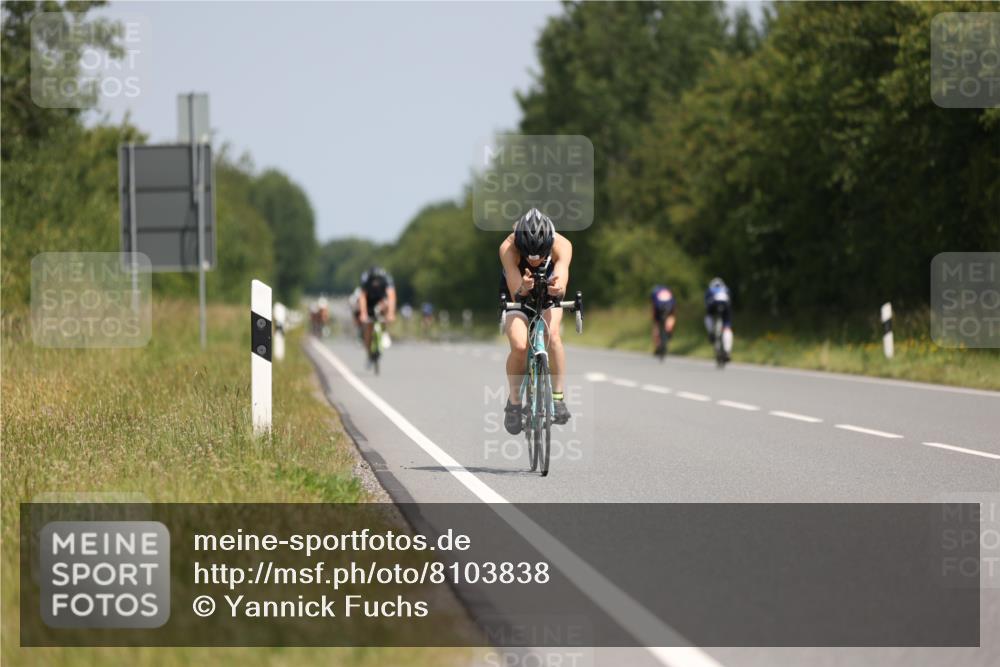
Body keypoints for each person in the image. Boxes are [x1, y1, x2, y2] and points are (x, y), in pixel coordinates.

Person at [500, 208, 573, 435]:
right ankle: (513, 403)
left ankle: (558, 398)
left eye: (540, 255)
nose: (534, 260)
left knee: (553, 336)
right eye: (529, 255)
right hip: (517, 296)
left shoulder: (562, 245)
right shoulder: (508, 248)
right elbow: (516, 294)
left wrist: (556, 289)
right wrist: (524, 287)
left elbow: (561, 280)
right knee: (520, 346)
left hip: (548, 292)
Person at [357, 266, 397, 355]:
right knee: (369, 326)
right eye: (374, 281)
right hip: (369, 301)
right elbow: (362, 297)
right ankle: (368, 349)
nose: (376, 283)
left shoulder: (386, 279)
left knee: (385, 305)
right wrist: (363, 313)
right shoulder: (366, 280)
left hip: (381, 300)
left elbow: (391, 296)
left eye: (378, 281)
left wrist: (391, 313)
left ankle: (384, 332)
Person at [704, 277, 733, 361]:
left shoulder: (710, 289)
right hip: (725, 306)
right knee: (727, 327)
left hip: (713, 305)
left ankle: (711, 332)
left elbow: (706, 303)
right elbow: (730, 301)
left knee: (708, 316)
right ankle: (727, 351)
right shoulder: (726, 289)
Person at [650, 285, 676, 355]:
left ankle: (658, 346)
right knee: (670, 319)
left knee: (657, 327)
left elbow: (654, 307)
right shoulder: (668, 293)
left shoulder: (655, 293)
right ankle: (669, 332)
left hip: (659, 311)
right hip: (669, 311)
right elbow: (673, 306)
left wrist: (654, 318)